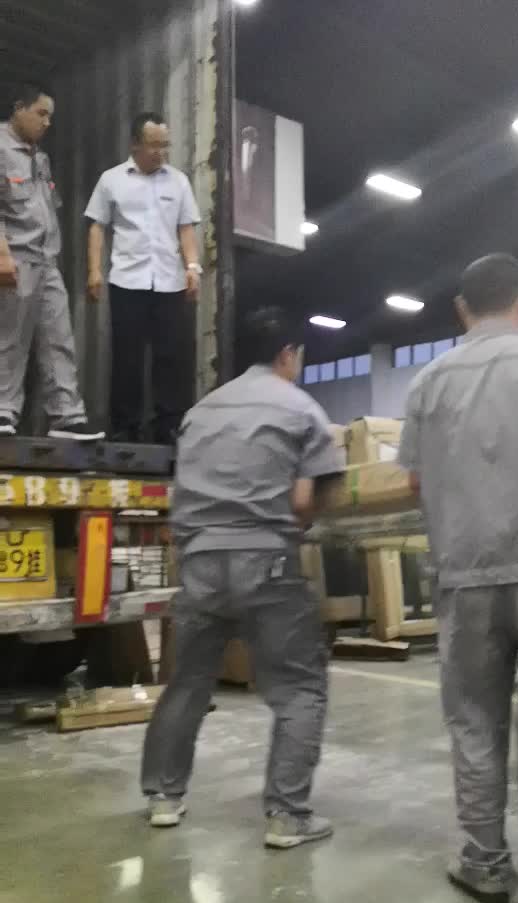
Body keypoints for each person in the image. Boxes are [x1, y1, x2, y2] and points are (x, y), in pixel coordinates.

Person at [141, 306, 345, 848]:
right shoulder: (301, 408)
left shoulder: (199, 413)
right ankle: (286, 816)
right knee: (299, 687)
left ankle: (164, 798)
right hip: (267, 561)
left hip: (200, 563)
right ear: (288, 354)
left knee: (188, 684)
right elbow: (306, 500)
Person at [399, 253, 518, 903]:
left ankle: (485, 862)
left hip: (464, 572)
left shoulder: (428, 382)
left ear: (461, 309)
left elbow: (413, 481)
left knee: (475, 717)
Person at [85, 112, 201, 444]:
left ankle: (168, 425)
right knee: (127, 356)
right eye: (154, 145)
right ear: (135, 144)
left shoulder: (178, 181)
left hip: (170, 281)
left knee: (170, 356)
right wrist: (94, 270)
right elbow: (97, 226)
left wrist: (193, 267)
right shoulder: (111, 180)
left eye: (165, 145)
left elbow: (186, 229)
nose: (161, 152)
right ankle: (126, 425)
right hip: (127, 280)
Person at [0, 82, 103, 440]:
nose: (46, 122)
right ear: (19, 108)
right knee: (10, 338)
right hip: (15, 258)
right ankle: (2, 411)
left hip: (46, 260)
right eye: (41, 113)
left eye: (50, 117)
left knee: (58, 337)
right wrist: (2, 254)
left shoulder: (40, 158)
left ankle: (66, 416)